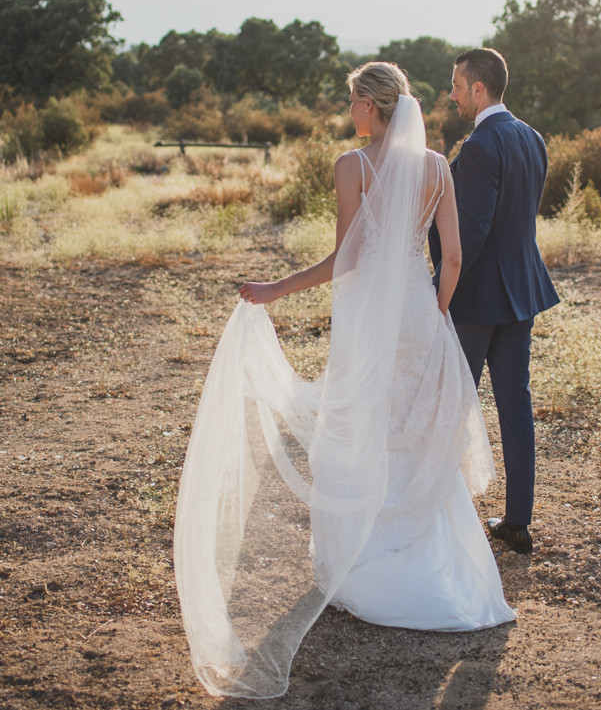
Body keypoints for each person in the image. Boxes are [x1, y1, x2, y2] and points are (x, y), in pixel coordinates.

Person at [174, 62, 515, 700]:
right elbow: (454, 256)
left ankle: (364, 563)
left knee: (361, 427)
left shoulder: (352, 166)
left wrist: (275, 288)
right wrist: (435, 311)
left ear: (371, 106)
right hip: (419, 314)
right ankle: (436, 569)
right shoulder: (437, 167)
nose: (348, 110)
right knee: (414, 434)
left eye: (352, 100)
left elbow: (348, 256)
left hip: (368, 322)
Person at [431, 47, 560, 555]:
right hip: (520, 290)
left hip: (477, 298)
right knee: (515, 404)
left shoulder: (482, 144)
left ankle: (436, 518)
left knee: (451, 404)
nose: (453, 95)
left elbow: (473, 229)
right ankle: (518, 520)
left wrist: (439, 289)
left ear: (478, 88)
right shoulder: (532, 137)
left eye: (457, 85)